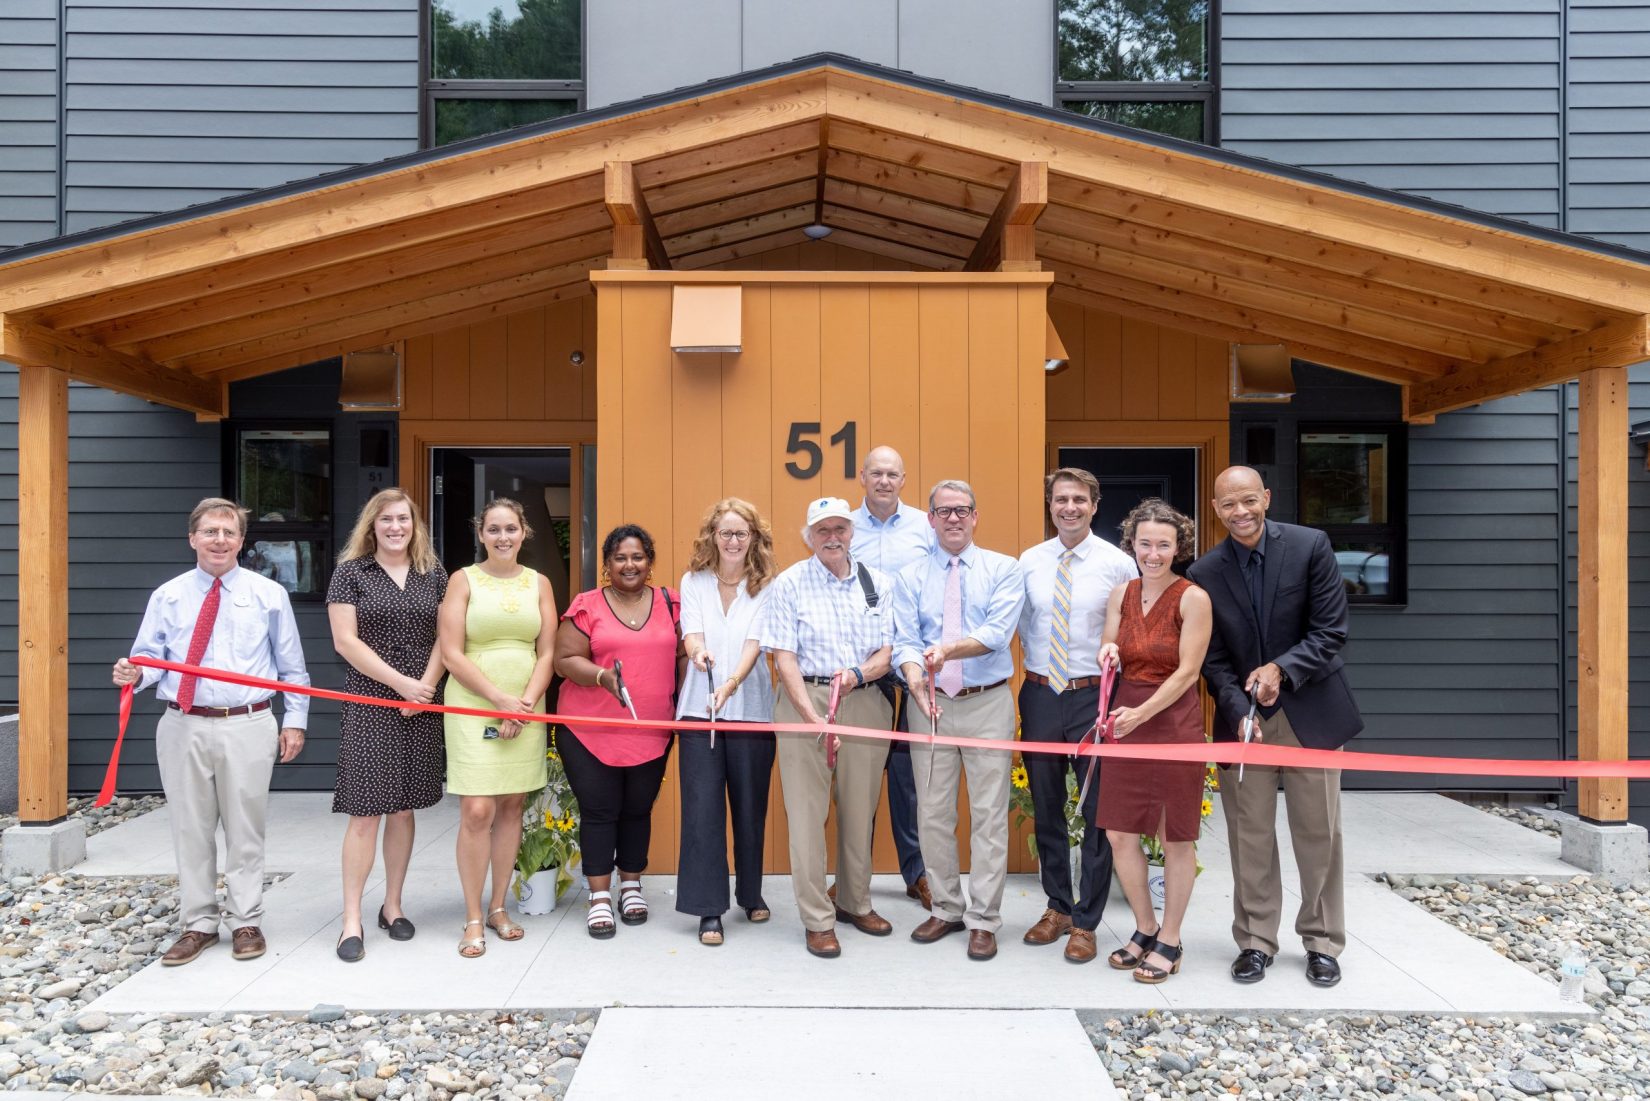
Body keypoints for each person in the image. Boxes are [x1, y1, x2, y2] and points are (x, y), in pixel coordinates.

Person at [111, 497, 310, 967]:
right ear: (192, 538)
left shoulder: (268, 594)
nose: (219, 540)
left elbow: (293, 667)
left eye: (228, 532)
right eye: (210, 531)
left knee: (245, 828)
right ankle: (198, 923)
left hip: (248, 722)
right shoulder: (169, 596)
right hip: (183, 724)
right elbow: (149, 660)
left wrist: (295, 721)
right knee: (191, 827)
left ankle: (245, 919)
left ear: (242, 541)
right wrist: (133, 673)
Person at [1187, 466, 1364, 988]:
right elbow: (1211, 658)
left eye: (1248, 500)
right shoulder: (1204, 572)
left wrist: (1281, 669)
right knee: (1249, 836)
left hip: (1310, 712)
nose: (1240, 512)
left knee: (1319, 833)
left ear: (1266, 496)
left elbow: (1331, 629)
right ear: (1215, 510)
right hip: (1244, 723)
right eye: (1228, 505)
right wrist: (1238, 705)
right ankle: (1255, 941)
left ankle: (1321, 942)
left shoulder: (1311, 545)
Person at [891, 480, 1025, 961]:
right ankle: (947, 908)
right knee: (932, 813)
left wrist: (945, 649)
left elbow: (995, 633)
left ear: (975, 516)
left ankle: (983, 919)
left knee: (989, 815)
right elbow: (904, 639)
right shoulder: (909, 576)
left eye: (962, 510)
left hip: (986, 701)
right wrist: (914, 678)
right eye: (943, 511)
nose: (953, 518)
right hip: (930, 705)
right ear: (929, 518)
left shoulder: (1003, 569)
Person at [764, 497, 895, 958]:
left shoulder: (877, 583)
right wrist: (812, 716)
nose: (832, 537)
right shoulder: (789, 583)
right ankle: (817, 918)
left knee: (860, 809)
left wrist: (859, 675)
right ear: (809, 536)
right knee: (806, 815)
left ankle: (854, 901)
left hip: (864, 700)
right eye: (823, 530)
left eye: (840, 528)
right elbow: (784, 658)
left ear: (852, 532)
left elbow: (886, 651)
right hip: (807, 700)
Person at [1016, 467, 1137, 963]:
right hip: (1042, 693)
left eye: (1079, 499)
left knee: (1097, 813)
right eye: (1061, 499)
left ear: (1094, 504)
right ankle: (1058, 907)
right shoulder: (1029, 561)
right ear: (1050, 505)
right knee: (1045, 808)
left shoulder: (1119, 564)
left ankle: (1087, 921)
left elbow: (1132, 632)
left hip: (1094, 697)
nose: (1070, 507)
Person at [325, 488, 447, 962]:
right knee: (365, 813)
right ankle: (351, 918)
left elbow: (447, 637)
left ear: (414, 525)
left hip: (421, 702)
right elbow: (345, 642)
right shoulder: (350, 573)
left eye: (403, 519)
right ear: (371, 526)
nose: (396, 527)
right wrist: (402, 684)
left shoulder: (432, 574)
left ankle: (392, 905)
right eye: (386, 520)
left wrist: (426, 687)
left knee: (402, 810)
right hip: (373, 701)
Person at [1095, 499, 1212, 984]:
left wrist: (1142, 713)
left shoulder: (1193, 598)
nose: (1154, 552)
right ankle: (1144, 928)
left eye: (1164, 544)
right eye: (1145, 543)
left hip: (1171, 721)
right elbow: (1111, 641)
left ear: (1178, 546)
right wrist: (1107, 652)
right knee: (1119, 832)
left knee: (1175, 836)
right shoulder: (1121, 592)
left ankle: (1171, 937)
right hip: (1125, 716)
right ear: (1133, 544)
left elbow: (1189, 672)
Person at [438, 497, 557, 959]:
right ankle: (471, 916)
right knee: (477, 810)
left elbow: (546, 652)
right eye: (494, 529)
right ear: (480, 533)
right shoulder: (462, 580)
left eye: (511, 528)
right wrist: (499, 700)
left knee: (511, 806)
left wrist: (524, 703)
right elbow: (451, 653)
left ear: (523, 531)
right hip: (474, 704)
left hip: (526, 705)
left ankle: (499, 907)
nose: (503, 537)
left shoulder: (540, 584)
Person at [555, 524, 681, 940]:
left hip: (651, 728)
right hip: (589, 729)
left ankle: (631, 885)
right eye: (620, 558)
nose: (630, 564)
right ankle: (599, 896)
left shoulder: (671, 602)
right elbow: (564, 659)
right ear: (607, 564)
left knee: (638, 808)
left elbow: (684, 655)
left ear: (650, 561)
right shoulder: (587, 605)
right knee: (600, 809)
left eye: (638, 557)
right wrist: (601, 676)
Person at [675, 498, 779, 947]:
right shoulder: (694, 580)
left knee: (750, 807)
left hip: (752, 709)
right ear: (712, 537)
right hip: (700, 711)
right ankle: (708, 909)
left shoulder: (768, 585)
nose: (734, 541)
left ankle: (751, 892)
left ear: (753, 538)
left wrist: (733, 681)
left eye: (742, 533)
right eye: (726, 533)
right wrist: (698, 653)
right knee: (702, 812)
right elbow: (690, 631)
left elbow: (757, 642)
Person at [848, 445, 933, 910]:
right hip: (862, 669)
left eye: (892, 474)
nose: (884, 481)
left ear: (904, 479)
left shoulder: (926, 526)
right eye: (876, 473)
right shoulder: (844, 527)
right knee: (856, 781)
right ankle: (852, 878)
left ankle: (917, 873)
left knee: (910, 780)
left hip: (910, 667)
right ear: (862, 477)